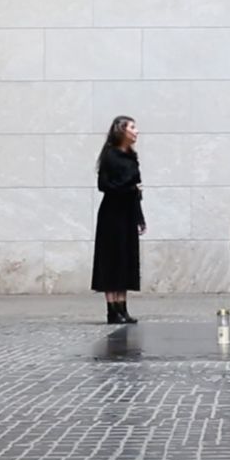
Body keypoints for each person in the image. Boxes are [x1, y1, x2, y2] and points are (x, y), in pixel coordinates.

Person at [92, 115, 145, 324]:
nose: (136, 131)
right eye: (132, 127)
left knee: (126, 258)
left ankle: (122, 307)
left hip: (128, 213)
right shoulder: (110, 156)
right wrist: (130, 188)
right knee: (111, 259)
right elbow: (105, 186)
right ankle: (112, 310)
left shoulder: (132, 157)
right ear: (121, 131)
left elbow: (137, 191)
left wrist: (140, 217)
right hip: (112, 215)